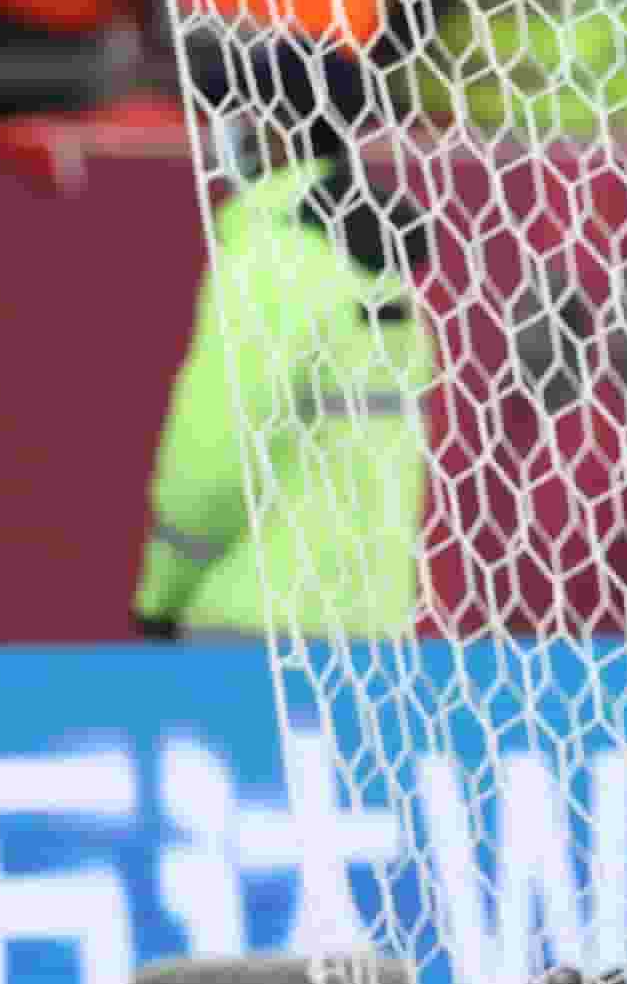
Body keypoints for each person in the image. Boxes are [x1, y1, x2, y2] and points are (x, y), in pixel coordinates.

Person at [133, 158, 434, 641]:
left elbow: (213, 461)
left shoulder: (271, 262)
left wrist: (162, 596)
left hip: (249, 621)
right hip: (374, 628)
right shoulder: (377, 270)